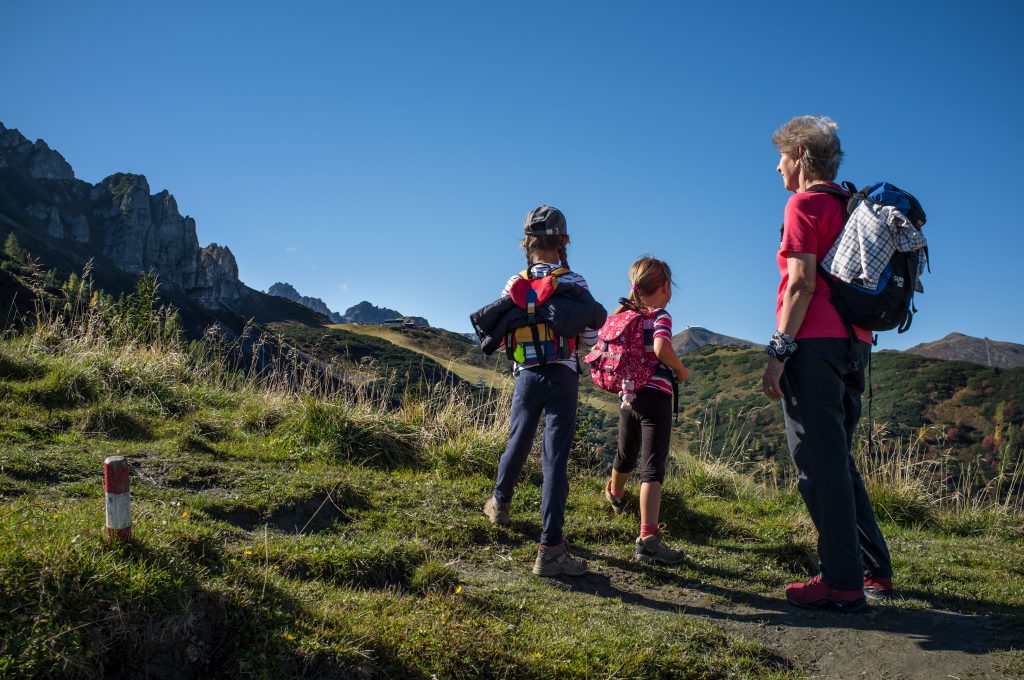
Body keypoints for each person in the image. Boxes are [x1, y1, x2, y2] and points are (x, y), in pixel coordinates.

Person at [762, 115, 894, 611]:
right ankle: (872, 569)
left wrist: (779, 351)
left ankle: (841, 582)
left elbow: (801, 283)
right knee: (837, 459)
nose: (778, 167)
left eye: (781, 157)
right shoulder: (851, 206)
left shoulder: (804, 204)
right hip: (855, 345)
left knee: (818, 465)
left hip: (812, 344)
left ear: (799, 154)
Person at [481, 205, 604, 577]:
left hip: (527, 376)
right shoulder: (575, 282)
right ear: (564, 240)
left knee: (517, 441)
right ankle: (550, 550)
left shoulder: (514, 283)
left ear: (526, 243)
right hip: (563, 376)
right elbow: (589, 339)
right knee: (555, 460)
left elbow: (504, 333)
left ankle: (499, 504)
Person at [603, 257, 689, 564]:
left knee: (625, 453)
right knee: (652, 468)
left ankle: (615, 494)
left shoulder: (625, 315)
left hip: (628, 396)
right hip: (656, 397)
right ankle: (649, 539)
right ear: (664, 286)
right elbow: (661, 348)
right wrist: (681, 370)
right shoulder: (660, 315)